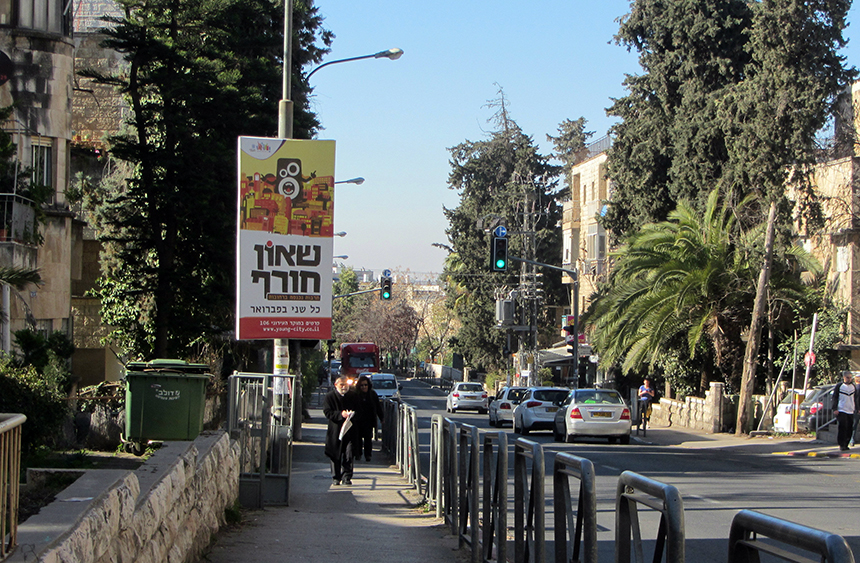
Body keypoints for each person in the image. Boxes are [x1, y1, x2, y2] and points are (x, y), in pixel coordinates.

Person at [323, 376, 359, 485]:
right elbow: (327, 412)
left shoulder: (353, 396)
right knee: (335, 454)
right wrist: (340, 414)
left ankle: (347, 476)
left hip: (350, 430)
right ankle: (336, 477)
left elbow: (360, 410)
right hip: (335, 430)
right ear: (336, 385)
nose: (344, 387)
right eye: (341, 385)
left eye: (346, 385)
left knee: (349, 454)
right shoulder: (330, 397)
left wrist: (352, 414)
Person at [353, 374, 384, 462]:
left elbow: (378, 407)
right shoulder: (355, 395)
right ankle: (358, 454)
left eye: (365, 385)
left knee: (368, 439)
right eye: (362, 385)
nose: (364, 387)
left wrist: (381, 418)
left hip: (369, 420)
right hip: (357, 420)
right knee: (357, 438)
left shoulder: (372, 394)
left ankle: (368, 455)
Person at [832, 371, 860, 451]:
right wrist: (835, 408)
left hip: (851, 410)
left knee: (849, 427)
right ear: (844, 377)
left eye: (850, 377)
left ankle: (846, 444)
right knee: (843, 427)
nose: (849, 379)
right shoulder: (839, 386)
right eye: (848, 377)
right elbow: (835, 397)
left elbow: (856, 398)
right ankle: (842, 444)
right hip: (841, 409)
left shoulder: (853, 387)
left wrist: (857, 408)